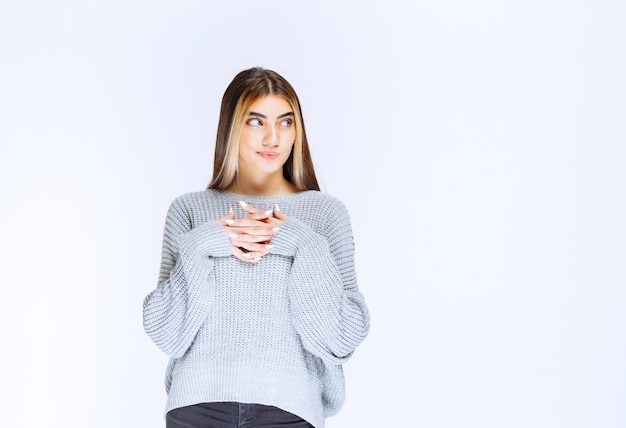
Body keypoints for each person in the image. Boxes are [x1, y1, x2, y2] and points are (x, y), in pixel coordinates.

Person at [143, 67, 370, 428]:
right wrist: (203, 243)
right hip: (198, 409)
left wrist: (302, 244)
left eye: (285, 122)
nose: (272, 138)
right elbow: (166, 332)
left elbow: (343, 337)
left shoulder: (325, 215)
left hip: (290, 411)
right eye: (256, 121)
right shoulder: (188, 210)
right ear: (232, 127)